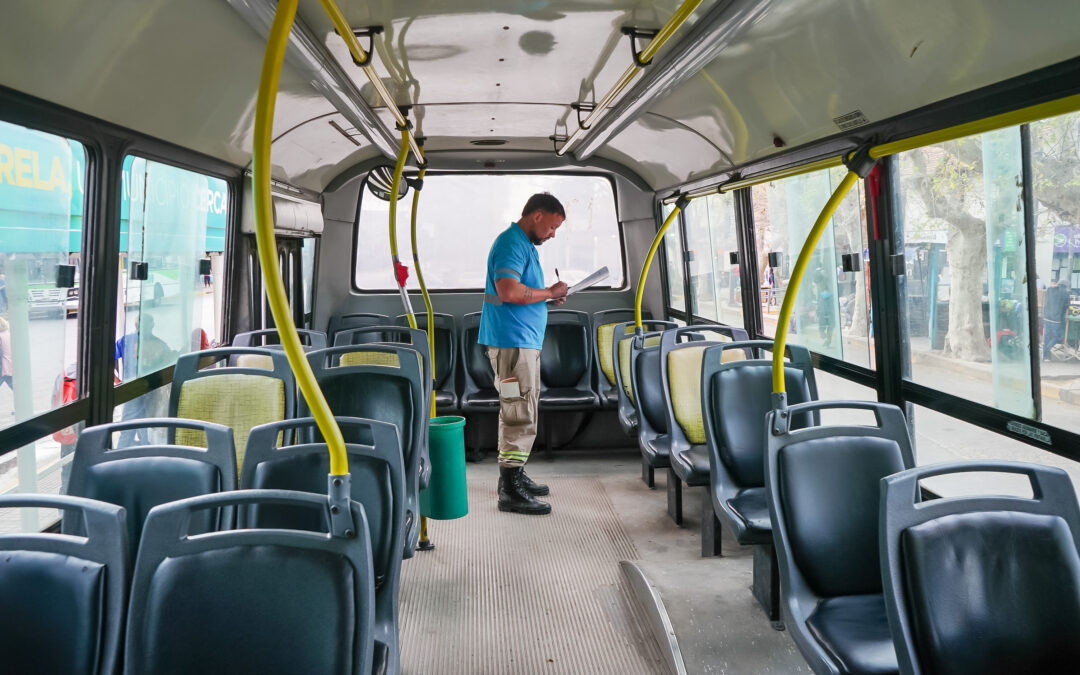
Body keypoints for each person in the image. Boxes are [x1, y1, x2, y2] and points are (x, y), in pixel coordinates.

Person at [479, 193, 568, 515]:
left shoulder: (523, 245)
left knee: (519, 407)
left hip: (519, 342)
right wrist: (550, 292)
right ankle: (510, 489)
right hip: (512, 345)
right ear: (538, 216)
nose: (552, 234)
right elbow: (509, 291)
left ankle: (515, 475)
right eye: (553, 227)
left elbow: (519, 293)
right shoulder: (511, 244)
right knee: (518, 410)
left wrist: (545, 298)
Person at [1043, 279, 1070, 360]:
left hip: (1047, 317)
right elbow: (1066, 306)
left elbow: (1046, 301)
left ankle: (1045, 357)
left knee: (1047, 337)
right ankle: (1046, 351)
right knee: (1057, 337)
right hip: (1056, 319)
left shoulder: (1049, 289)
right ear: (1066, 286)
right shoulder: (1066, 293)